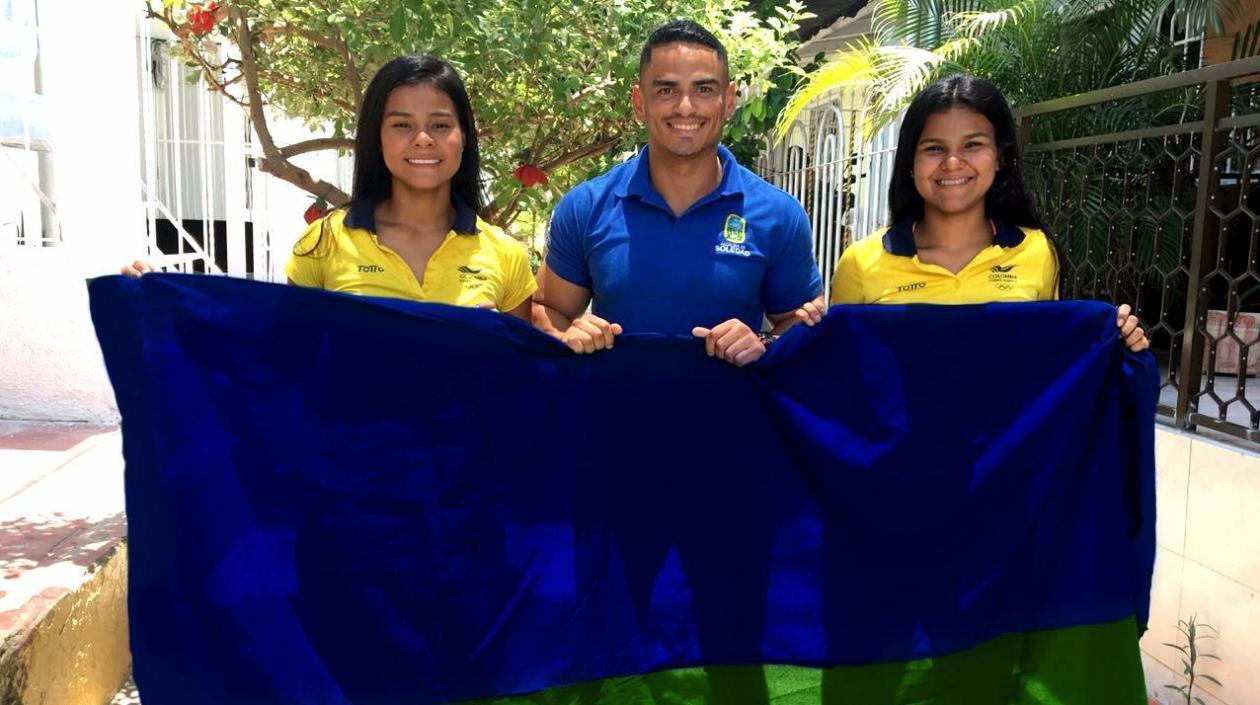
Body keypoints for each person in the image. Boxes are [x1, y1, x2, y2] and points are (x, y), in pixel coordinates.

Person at [822, 73, 1148, 705]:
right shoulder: (862, 264)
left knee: (977, 668)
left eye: (972, 144)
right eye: (933, 147)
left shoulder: (1035, 254)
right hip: (890, 504)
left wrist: (1116, 347)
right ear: (910, 161)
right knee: (871, 667)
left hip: (999, 506)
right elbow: (842, 391)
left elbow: (1050, 378)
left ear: (1000, 157)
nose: (953, 163)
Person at [125, 55, 536, 322]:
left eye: (440, 125)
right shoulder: (325, 241)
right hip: (350, 438)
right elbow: (279, 351)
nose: (423, 139)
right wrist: (168, 303)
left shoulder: (505, 255)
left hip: (462, 439)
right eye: (402, 124)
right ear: (377, 138)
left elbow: (525, 387)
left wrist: (497, 342)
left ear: (464, 137)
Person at [532, 19, 825, 365]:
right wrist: (568, 334)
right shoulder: (586, 207)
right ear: (639, 102)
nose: (685, 107)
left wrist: (763, 341)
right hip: (612, 401)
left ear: (729, 100)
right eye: (666, 90)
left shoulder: (778, 214)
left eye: (704, 89)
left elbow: (801, 324)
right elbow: (546, 309)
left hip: (732, 403)